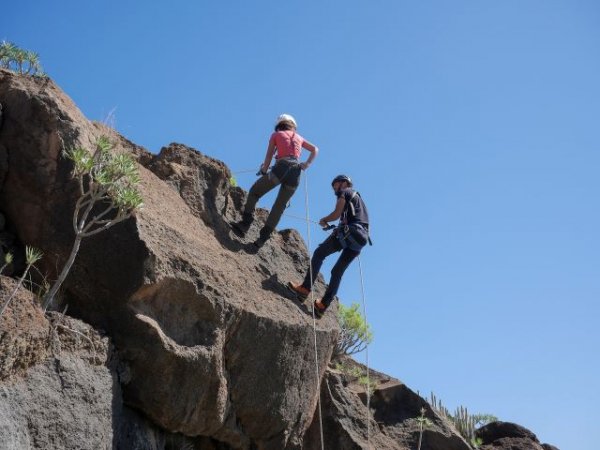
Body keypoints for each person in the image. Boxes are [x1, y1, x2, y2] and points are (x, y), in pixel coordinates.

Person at [289, 175, 370, 318]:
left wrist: (325, 220)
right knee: (337, 272)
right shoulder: (358, 201)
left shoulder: (345, 192)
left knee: (319, 253)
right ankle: (323, 305)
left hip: (351, 231)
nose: (335, 190)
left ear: (344, 183)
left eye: (336, 186)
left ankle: (305, 289)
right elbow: (351, 218)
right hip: (361, 238)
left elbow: (336, 213)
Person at [231, 114, 318, 247]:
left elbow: (269, 155)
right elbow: (315, 149)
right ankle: (261, 240)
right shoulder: (299, 137)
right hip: (295, 173)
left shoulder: (276, 135)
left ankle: (245, 224)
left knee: (255, 192)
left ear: (279, 125)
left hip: (280, 169)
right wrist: (306, 164)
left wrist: (264, 170)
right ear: (293, 126)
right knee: (279, 207)